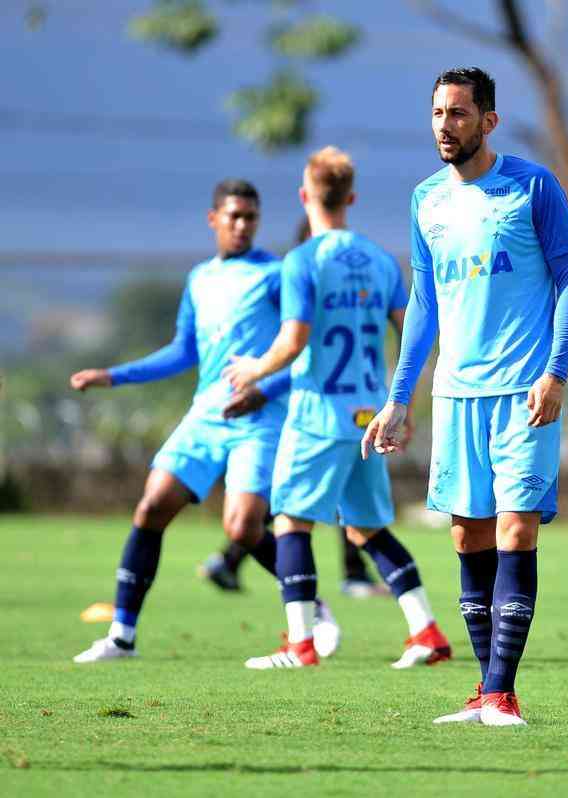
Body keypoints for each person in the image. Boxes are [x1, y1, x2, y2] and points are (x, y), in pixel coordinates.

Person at [362, 66, 568, 726]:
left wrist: (556, 373)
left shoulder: (532, 186)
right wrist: (400, 397)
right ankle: (482, 692)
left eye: (459, 114)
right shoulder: (426, 201)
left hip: (525, 391)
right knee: (467, 535)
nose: (445, 125)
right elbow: (423, 305)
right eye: (437, 113)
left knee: (516, 526)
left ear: (488, 121)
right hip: (457, 396)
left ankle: (501, 692)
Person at [69, 179, 338, 663]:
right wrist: (114, 375)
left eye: (250, 218)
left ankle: (312, 605)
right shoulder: (199, 279)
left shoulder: (277, 275)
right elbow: (183, 351)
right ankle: (121, 637)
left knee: (242, 528)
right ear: (213, 219)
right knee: (151, 507)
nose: (242, 225)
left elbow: (305, 352)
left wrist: (262, 390)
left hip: (258, 419)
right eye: (233, 217)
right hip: (205, 416)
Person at [224, 146, 450, 669]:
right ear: (350, 197)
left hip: (319, 416)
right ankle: (427, 632)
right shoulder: (378, 259)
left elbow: (294, 339)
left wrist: (255, 369)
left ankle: (300, 645)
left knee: (291, 523)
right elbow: (412, 332)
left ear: (305, 197)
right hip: (370, 414)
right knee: (365, 527)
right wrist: (403, 405)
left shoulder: (303, 261)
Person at [199, 215, 386, 600]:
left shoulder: (327, 283)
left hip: (331, 406)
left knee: (302, 498)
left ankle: (231, 560)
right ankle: (346, 580)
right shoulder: (301, 278)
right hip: (312, 410)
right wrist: (264, 386)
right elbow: (296, 354)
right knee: (304, 499)